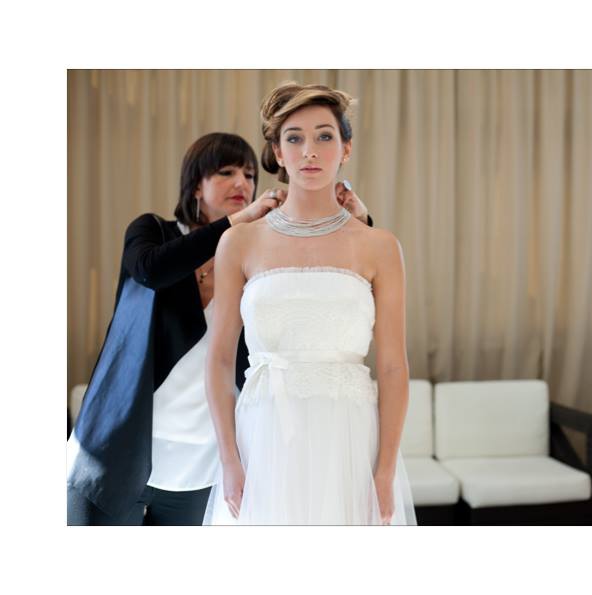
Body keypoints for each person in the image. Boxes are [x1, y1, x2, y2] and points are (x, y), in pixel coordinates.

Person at [67, 131, 373, 525]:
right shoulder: (153, 233)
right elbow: (151, 271)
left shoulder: (254, 260)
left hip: (199, 466)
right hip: (115, 450)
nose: (242, 183)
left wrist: (361, 222)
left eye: (250, 175)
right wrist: (236, 223)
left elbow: (325, 289)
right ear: (197, 184)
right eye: (226, 172)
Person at [203, 82, 416, 525]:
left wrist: (385, 468)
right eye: (294, 138)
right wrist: (229, 459)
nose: (310, 151)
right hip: (264, 436)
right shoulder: (239, 242)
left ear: (346, 149)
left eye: (324, 136)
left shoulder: (379, 246)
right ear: (278, 153)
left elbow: (394, 366)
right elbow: (220, 359)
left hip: (349, 438)